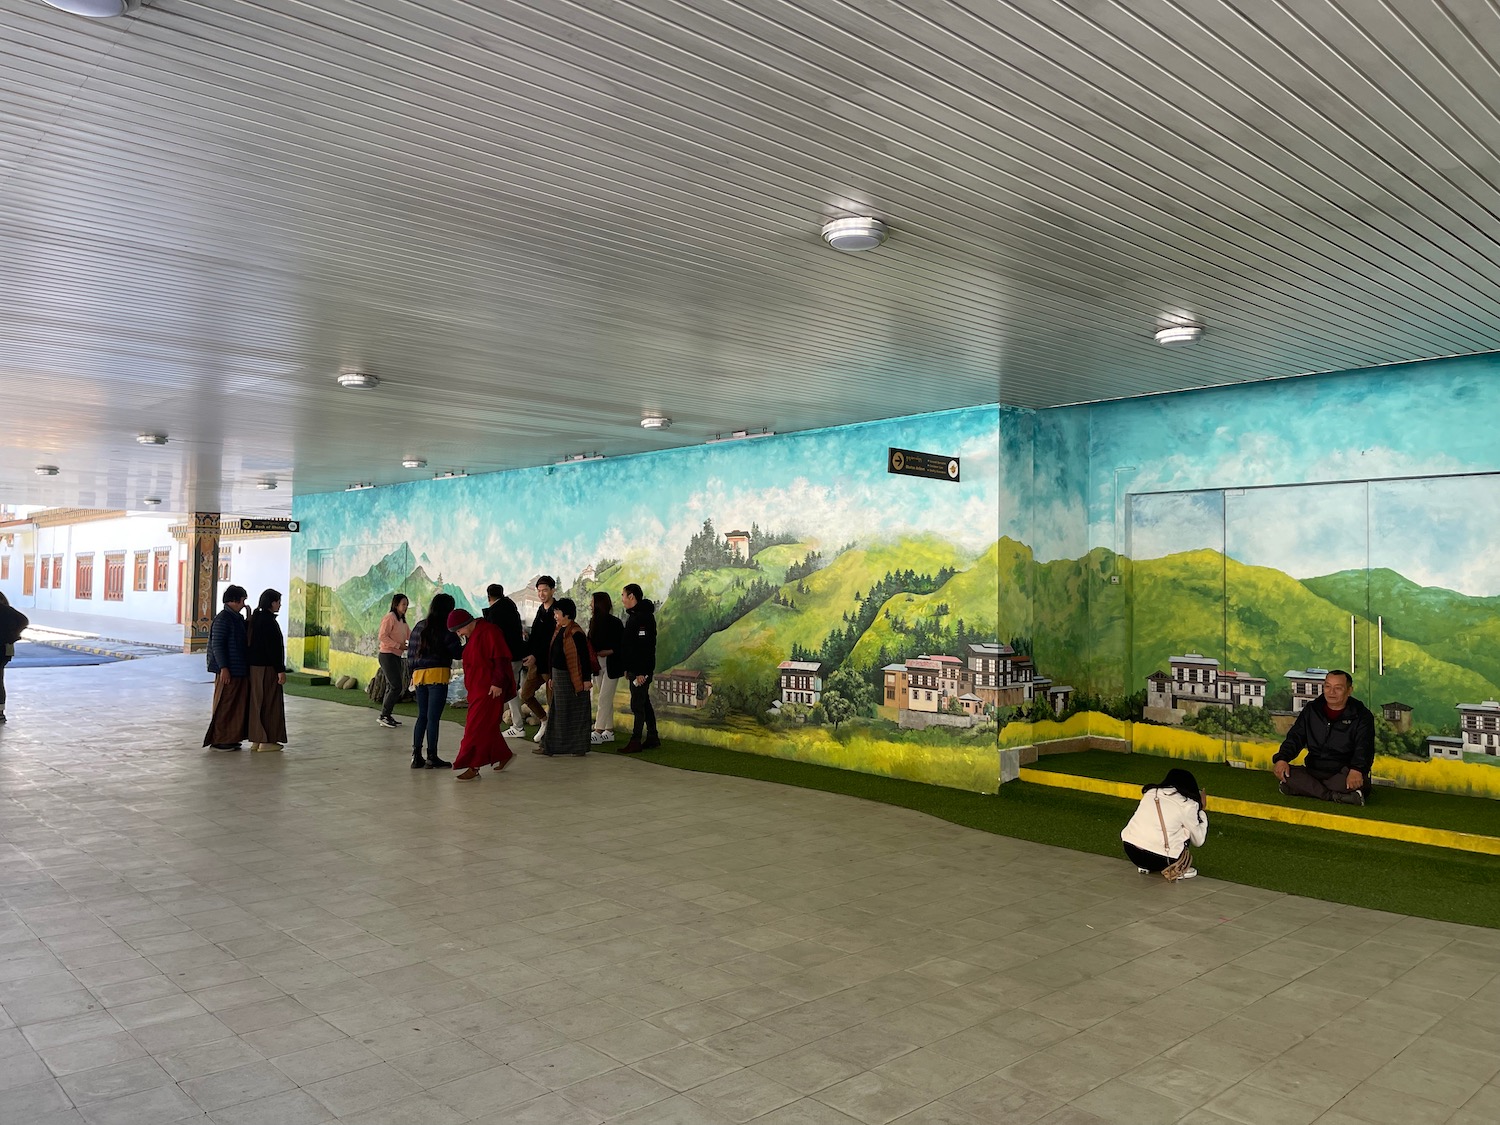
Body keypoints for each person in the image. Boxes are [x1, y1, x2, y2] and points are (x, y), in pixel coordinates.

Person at [1272, 669, 1375, 805]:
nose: (1331, 692)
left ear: (1349, 690)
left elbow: (1364, 747)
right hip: (1314, 769)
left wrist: (1357, 770)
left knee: (1355, 782)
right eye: (1327, 686)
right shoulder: (1312, 709)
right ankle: (1335, 796)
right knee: (1288, 775)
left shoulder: (1362, 715)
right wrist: (1282, 758)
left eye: (1338, 688)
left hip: (1343, 773)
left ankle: (1307, 789)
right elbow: (1295, 737)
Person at [446, 608, 517, 780]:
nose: (459, 633)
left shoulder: (490, 631)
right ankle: (504, 754)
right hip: (477, 688)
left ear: (466, 623)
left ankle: (473, 766)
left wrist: (498, 683)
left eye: (459, 629)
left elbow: (501, 658)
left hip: (489, 689)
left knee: (474, 728)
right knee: (488, 727)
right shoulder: (473, 634)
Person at [405, 592, 461, 770]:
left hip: (419, 676)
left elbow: (411, 654)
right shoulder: (447, 628)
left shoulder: (420, 626)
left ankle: (416, 756)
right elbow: (458, 653)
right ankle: (432, 756)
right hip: (438, 675)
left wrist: (412, 674)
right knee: (433, 718)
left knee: (422, 715)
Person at [1121, 768, 1208, 881]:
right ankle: (1178, 867)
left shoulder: (1151, 792)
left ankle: (1145, 867)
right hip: (1162, 859)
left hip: (1131, 850)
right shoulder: (1188, 805)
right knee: (1186, 828)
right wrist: (1202, 810)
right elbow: (1198, 840)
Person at [539, 597, 593, 757]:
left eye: (557, 612)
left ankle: (577, 747)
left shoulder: (576, 633)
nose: (555, 615)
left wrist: (586, 680)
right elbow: (554, 655)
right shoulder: (559, 629)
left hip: (573, 677)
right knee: (559, 712)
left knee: (575, 712)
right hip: (559, 676)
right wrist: (552, 677)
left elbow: (584, 658)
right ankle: (551, 746)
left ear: (567, 615)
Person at [203, 585, 250, 750]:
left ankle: (231, 737)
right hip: (229, 669)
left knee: (236, 705)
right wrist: (224, 667)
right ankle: (219, 738)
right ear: (235, 601)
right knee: (225, 704)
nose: (244, 604)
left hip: (238, 669)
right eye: (243, 600)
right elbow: (218, 645)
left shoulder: (236, 618)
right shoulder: (223, 619)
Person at [483, 583, 528, 739]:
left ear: (488, 597)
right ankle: (516, 724)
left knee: (504, 690)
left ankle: (516, 725)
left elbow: (493, 639)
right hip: (515, 656)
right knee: (511, 689)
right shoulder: (511, 609)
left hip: (504, 657)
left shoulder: (495, 614)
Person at [619, 583, 659, 754]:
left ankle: (635, 741)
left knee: (637, 704)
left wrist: (642, 672)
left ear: (631, 596)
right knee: (644, 702)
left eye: (623, 595)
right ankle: (652, 736)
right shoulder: (635, 616)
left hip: (641, 670)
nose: (622, 599)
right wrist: (628, 667)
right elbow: (630, 646)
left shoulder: (643, 618)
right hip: (635, 668)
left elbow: (645, 647)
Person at [246, 589, 287, 751]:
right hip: (267, 669)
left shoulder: (256, 619)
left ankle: (257, 739)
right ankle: (266, 741)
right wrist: (280, 670)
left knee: (257, 703)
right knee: (269, 703)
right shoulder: (268, 622)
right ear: (272, 603)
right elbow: (273, 649)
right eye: (278, 602)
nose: (280, 605)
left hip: (255, 668)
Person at [519, 575, 557, 742]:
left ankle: (552, 736)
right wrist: (528, 653)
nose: (541, 594)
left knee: (552, 701)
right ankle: (544, 720)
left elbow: (552, 640)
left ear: (552, 590)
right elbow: (536, 637)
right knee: (526, 694)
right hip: (536, 663)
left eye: (545, 590)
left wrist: (535, 655)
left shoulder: (558, 611)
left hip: (551, 664)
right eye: (539, 591)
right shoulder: (541, 610)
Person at [588, 591, 624, 745]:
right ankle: (609, 730)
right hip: (597, 665)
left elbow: (621, 645)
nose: (590, 605)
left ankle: (598, 730)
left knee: (604, 698)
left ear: (599, 604)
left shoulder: (615, 623)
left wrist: (607, 652)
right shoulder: (593, 621)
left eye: (592, 602)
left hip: (612, 665)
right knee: (604, 698)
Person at [376, 594, 410, 729]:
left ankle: (387, 715)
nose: (406, 607)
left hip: (396, 656)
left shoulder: (402, 621)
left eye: (407, 604)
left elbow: (410, 634)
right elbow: (382, 636)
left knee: (392, 686)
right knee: (396, 686)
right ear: (396, 605)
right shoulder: (390, 618)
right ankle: (384, 715)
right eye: (403, 604)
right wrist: (398, 645)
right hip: (387, 655)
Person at [0, 591, 28, 724]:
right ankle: (0, 712)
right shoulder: (8, 610)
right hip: (5, 649)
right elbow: (23, 620)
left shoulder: (4, 611)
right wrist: (14, 635)